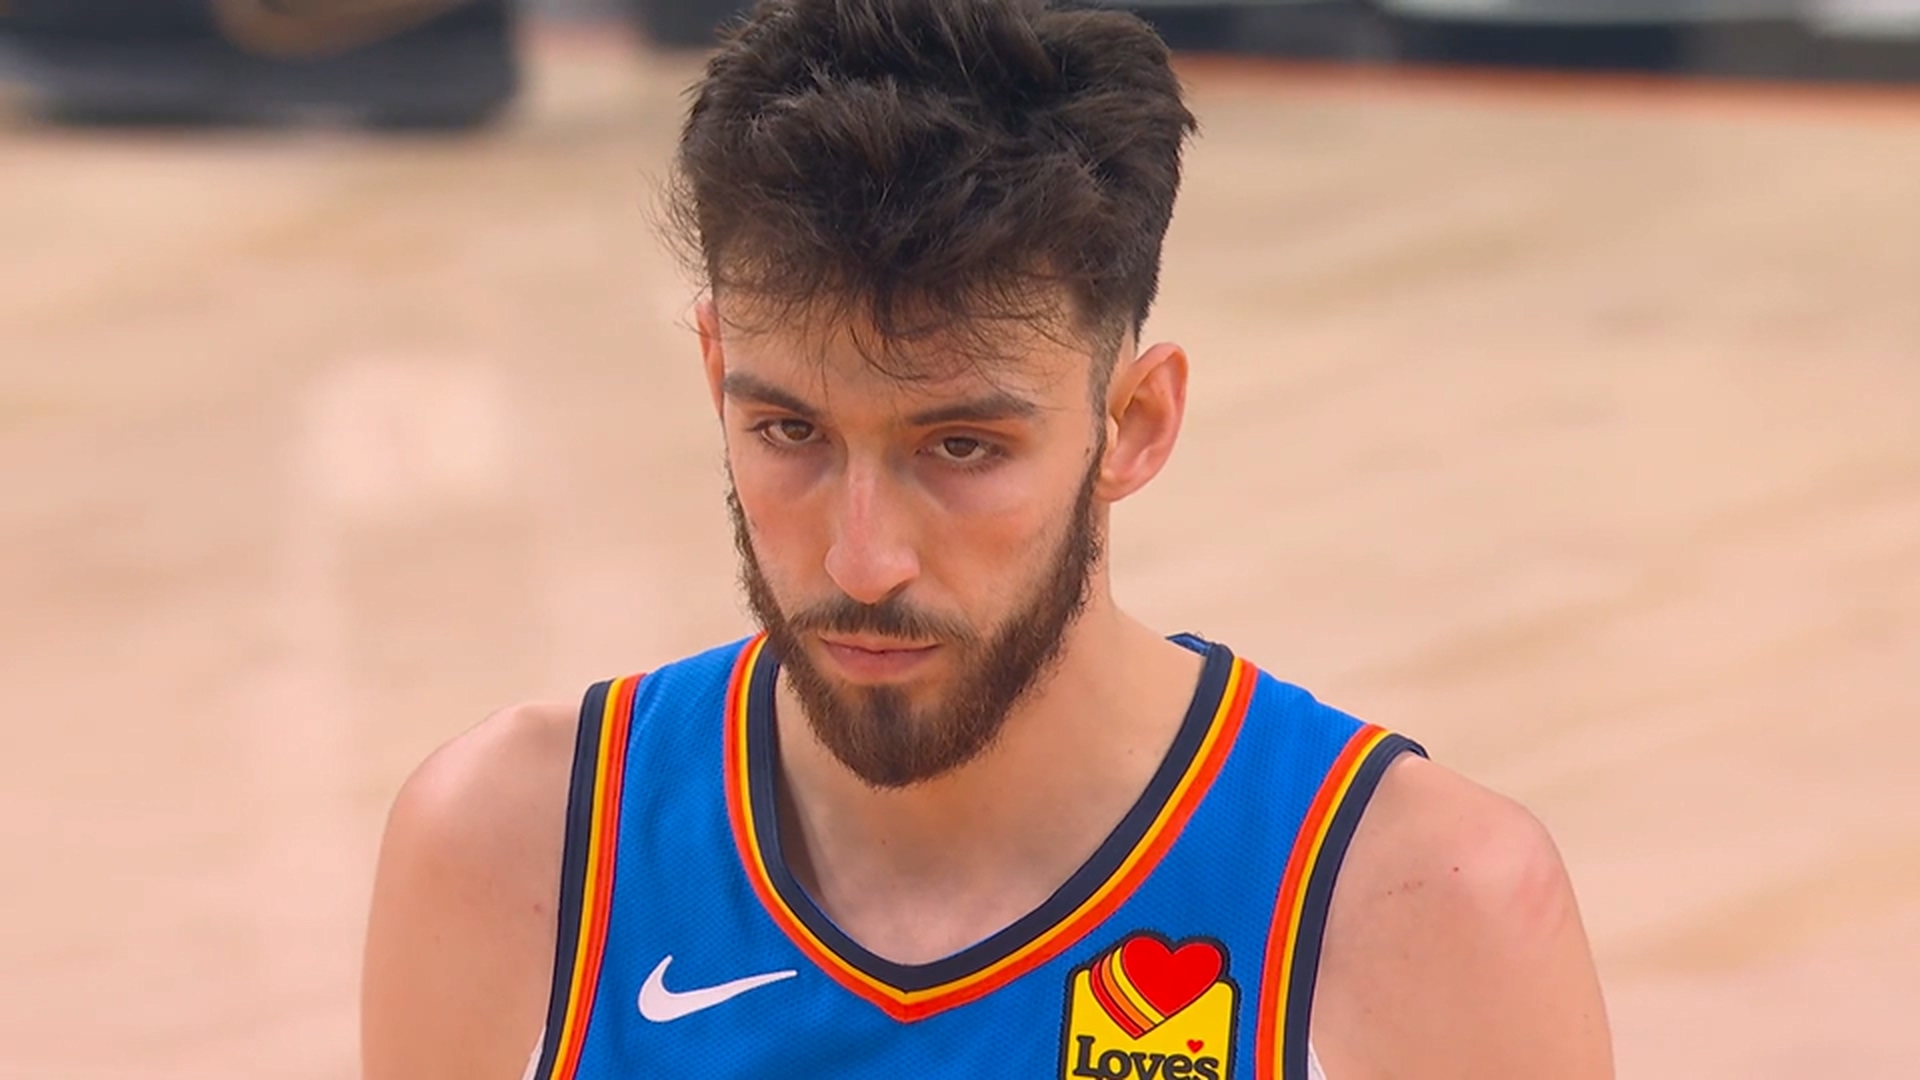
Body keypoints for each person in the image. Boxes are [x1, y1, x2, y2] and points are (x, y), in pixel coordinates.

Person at [359, 1, 1615, 1077]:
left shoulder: (1418, 910)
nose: (863, 562)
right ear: (714, 371)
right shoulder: (514, 850)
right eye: (790, 431)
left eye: (960, 447)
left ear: (1134, 424)